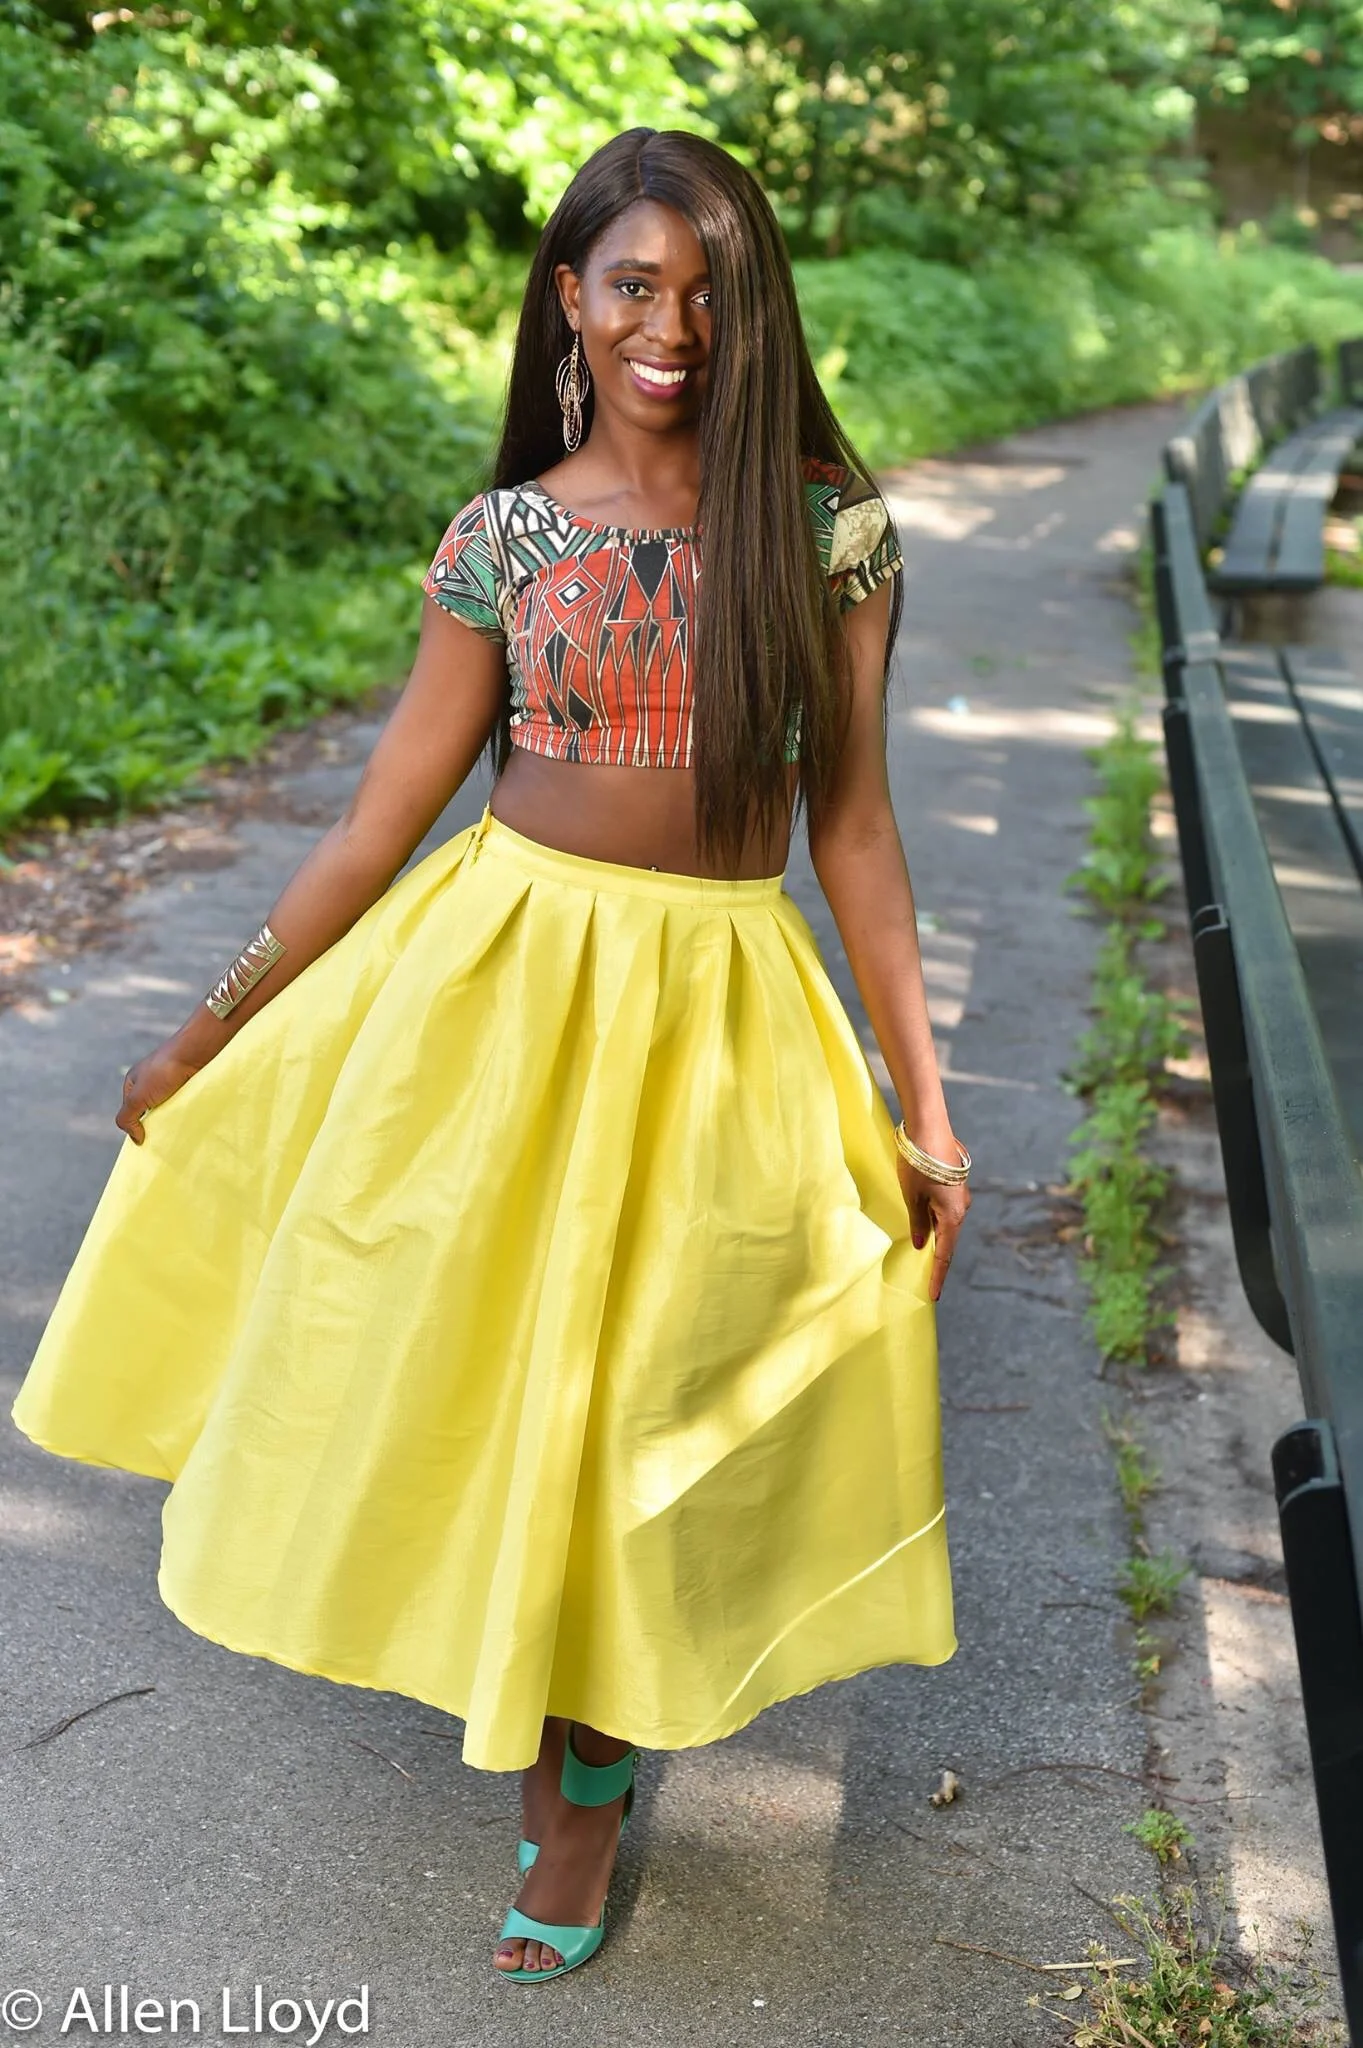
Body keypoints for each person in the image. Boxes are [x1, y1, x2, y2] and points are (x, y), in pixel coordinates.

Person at [10, 126, 969, 1986]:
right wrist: (204, 1025)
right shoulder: (504, 539)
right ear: (568, 302)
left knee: (671, 1376)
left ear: (749, 307)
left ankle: (606, 1715)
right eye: (631, 286)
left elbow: (851, 828)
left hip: (719, 1009)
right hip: (501, 994)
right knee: (504, 1373)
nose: (669, 325)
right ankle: (567, 1777)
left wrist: (919, 1101)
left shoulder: (831, 531)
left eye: (706, 290)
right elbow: (380, 818)